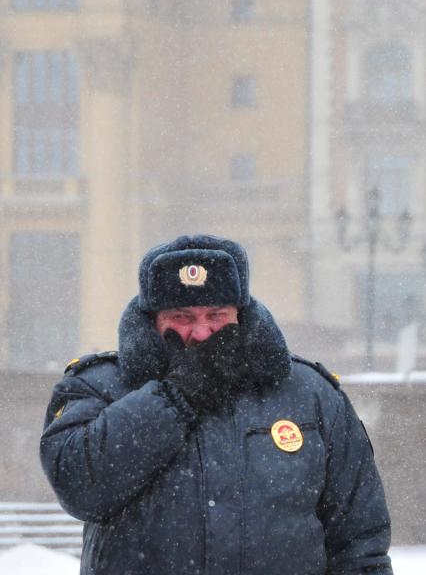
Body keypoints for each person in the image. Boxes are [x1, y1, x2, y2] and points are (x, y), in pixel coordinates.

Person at [40, 235, 393, 575]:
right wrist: (175, 396)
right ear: (153, 319)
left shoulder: (311, 394)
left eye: (216, 314)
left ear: (241, 314)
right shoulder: (97, 386)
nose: (202, 332)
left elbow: (360, 543)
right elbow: (81, 487)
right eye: (182, 317)